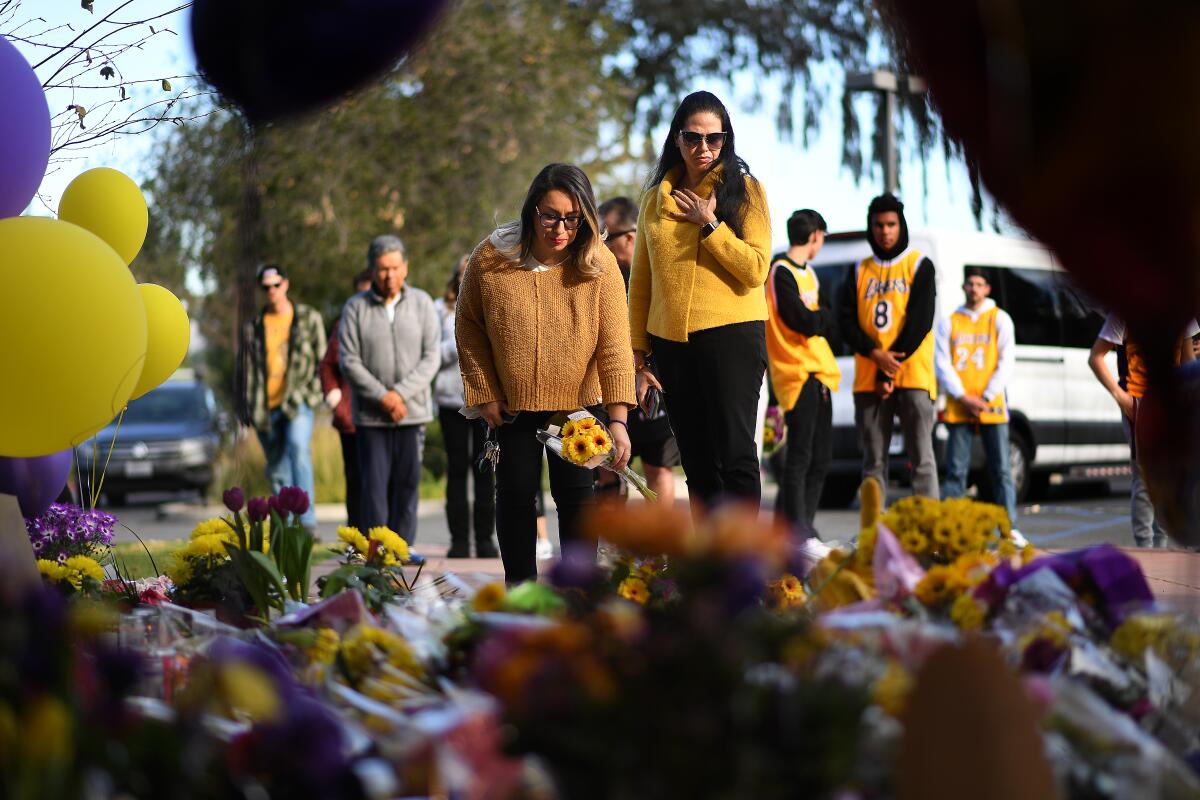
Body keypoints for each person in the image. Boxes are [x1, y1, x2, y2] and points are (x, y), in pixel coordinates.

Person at [456, 162, 635, 583]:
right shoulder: (492, 258)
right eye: (550, 215)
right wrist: (484, 391)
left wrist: (618, 420)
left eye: (572, 219)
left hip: (576, 408)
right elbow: (468, 326)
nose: (560, 228)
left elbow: (614, 345)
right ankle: (522, 598)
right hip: (511, 408)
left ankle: (576, 598)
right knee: (516, 497)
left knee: (576, 500)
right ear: (531, 209)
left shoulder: (600, 264)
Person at [628, 90, 772, 513]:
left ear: (726, 140)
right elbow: (641, 282)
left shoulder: (745, 191)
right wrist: (638, 356)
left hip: (732, 337)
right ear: (677, 139)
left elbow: (756, 269)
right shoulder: (654, 200)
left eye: (714, 138)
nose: (703, 148)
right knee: (696, 462)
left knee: (735, 457)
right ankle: (708, 568)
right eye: (692, 138)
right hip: (671, 345)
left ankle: (744, 567)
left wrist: (711, 225)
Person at [339, 235, 441, 545]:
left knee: (407, 485)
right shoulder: (355, 308)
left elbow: (431, 356)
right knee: (373, 488)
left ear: (406, 268)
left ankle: (403, 550)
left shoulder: (422, 303)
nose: (390, 275)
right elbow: (349, 360)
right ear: (372, 270)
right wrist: (383, 397)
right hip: (372, 417)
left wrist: (400, 395)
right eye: (383, 269)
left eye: (395, 267)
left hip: (411, 413)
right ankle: (378, 554)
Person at [837, 193, 938, 501]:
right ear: (872, 227)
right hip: (869, 377)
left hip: (912, 376)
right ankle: (873, 533)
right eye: (879, 225)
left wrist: (890, 365)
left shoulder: (919, 265)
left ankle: (930, 532)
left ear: (901, 225)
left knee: (921, 460)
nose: (885, 231)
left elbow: (921, 321)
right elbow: (845, 321)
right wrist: (875, 354)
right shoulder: (858, 269)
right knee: (873, 462)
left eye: (891, 224)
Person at [1088, 314, 1197, 547]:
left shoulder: (1181, 310)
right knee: (1145, 476)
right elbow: (1095, 357)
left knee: (1169, 475)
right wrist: (1122, 398)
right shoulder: (1124, 314)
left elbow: (1188, 360)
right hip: (1139, 401)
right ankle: (1146, 547)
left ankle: (1161, 545)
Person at [598, 195, 679, 507]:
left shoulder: (658, 272)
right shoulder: (601, 276)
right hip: (611, 388)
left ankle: (661, 553)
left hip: (653, 385)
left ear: (630, 236)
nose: (600, 245)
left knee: (658, 468)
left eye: (607, 237)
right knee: (606, 466)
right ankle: (609, 548)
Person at [765, 209, 840, 536]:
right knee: (799, 457)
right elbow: (804, 320)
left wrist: (820, 318)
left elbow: (821, 318)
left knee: (821, 458)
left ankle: (799, 526)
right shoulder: (780, 271)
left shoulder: (810, 273)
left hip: (819, 371)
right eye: (821, 238)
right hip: (795, 373)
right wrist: (821, 317)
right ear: (815, 236)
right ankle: (796, 532)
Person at [241, 264, 324, 531]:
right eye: (266, 287)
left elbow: (322, 359)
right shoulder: (254, 326)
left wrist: (314, 393)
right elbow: (248, 370)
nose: (272, 291)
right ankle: (286, 525)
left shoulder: (308, 318)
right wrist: (247, 407)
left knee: (298, 447)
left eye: (276, 285)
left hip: (298, 401)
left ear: (285, 284)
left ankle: (307, 521)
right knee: (276, 467)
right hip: (265, 406)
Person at [934, 268, 1018, 527]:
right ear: (964, 287)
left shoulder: (999, 319)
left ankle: (1008, 528)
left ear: (987, 289)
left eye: (979, 284)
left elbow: (1006, 361)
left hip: (990, 405)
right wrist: (962, 396)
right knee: (956, 471)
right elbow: (941, 362)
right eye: (970, 283)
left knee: (1001, 470)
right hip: (960, 406)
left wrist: (986, 395)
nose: (974, 288)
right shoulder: (950, 321)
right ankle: (951, 529)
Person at [435, 256, 498, 559]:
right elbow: (432, 353)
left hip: (485, 401)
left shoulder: (492, 304)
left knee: (484, 470)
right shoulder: (440, 310)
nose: (467, 279)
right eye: (463, 274)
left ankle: (485, 539)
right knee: (457, 470)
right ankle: (459, 541)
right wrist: (462, 340)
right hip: (451, 403)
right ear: (456, 278)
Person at [319, 268, 373, 532]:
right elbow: (328, 364)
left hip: (381, 416)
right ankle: (356, 537)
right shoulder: (343, 324)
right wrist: (335, 398)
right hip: (351, 417)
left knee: (380, 480)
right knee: (355, 479)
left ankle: (382, 538)